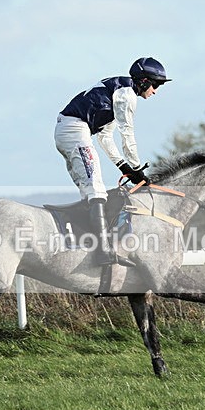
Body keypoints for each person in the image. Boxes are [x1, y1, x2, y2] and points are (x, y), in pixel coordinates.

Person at [54, 57, 171, 267]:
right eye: (156, 85)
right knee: (96, 187)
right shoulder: (127, 95)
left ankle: (85, 243)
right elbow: (127, 134)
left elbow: (105, 136)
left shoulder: (120, 90)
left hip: (71, 130)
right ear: (144, 81)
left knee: (89, 190)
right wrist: (136, 168)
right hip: (74, 129)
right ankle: (103, 251)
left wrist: (123, 167)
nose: (156, 91)